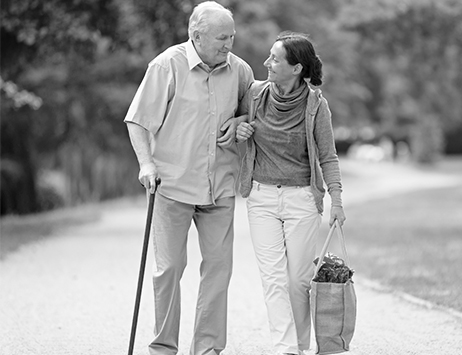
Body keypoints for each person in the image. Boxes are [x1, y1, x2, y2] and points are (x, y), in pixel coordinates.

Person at [123, 2, 254, 354]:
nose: (228, 44)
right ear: (196, 35)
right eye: (221, 37)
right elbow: (137, 120)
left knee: (219, 270)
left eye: (231, 37)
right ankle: (163, 347)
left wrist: (241, 125)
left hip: (219, 186)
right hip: (172, 185)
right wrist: (146, 164)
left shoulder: (240, 70)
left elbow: (251, 116)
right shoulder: (167, 65)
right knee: (168, 269)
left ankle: (207, 349)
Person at [235, 32, 346, 355]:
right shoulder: (255, 95)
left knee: (298, 280)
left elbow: (328, 156)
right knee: (273, 278)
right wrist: (241, 127)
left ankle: (300, 345)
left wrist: (336, 200)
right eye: (269, 57)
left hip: (301, 199)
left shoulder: (316, 105)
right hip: (261, 197)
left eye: (275, 59)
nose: (267, 63)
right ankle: (285, 348)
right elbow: (234, 121)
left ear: (296, 68)